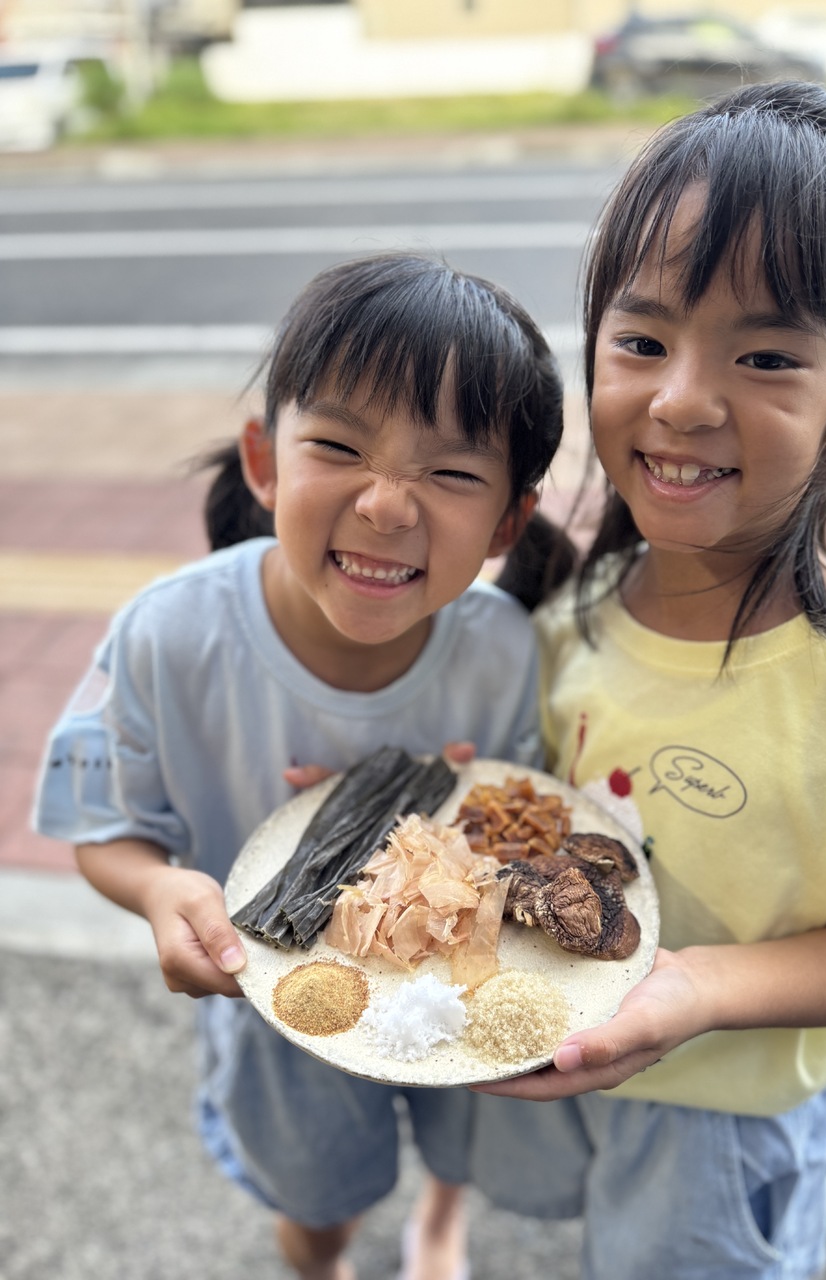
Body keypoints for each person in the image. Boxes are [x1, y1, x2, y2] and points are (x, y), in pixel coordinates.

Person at [470, 81, 826, 1279]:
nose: (682, 399)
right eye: (641, 340)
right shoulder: (571, 611)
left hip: (728, 1121)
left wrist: (694, 985)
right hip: (563, 1053)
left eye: (766, 354)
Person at [32, 252, 569, 1280]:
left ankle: (440, 1219)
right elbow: (101, 819)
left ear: (507, 521)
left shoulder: (504, 648)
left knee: (463, 1135)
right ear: (264, 461)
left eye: (451, 472)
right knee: (315, 1192)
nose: (386, 504)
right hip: (278, 1014)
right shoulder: (170, 635)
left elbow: (520, 820)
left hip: (443, 986)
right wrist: (159, 886)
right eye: (339, 446)